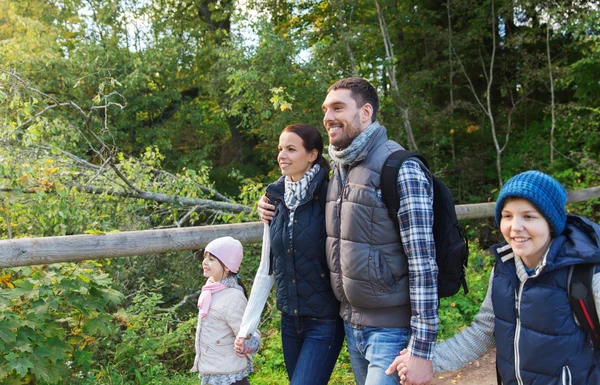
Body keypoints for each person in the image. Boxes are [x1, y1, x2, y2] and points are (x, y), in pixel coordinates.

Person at [258, 78, 438, 385]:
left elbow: (423, 264)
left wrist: (421, 349)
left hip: (390, 330)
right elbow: (296, 194)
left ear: (366, 112)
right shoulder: (339, 170)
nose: (328, 117)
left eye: (338, 108)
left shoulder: (400, 168)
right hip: (351, 325)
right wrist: (267, 203)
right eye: (326, 109)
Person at [390, 170, 600, 385]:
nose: (515, 227)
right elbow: (484, 331)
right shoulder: (504, 270)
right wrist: (426, 359)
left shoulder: (586, 273)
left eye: (528, 216)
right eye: (507, 216)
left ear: (551, 222)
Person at [235, 123, 344, 385]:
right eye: (280, 149)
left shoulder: (332, 194)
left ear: (312, 155)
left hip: (325, 320)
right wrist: (247, 327)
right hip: (290, 321)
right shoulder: (274, 201)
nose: (281, 156)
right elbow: (266, 269)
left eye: (291, 149)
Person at [191, 236, 260, 385]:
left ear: (227, 266)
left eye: (211, 259)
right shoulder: (210, 288)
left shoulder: (233, 297)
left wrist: (245, 343)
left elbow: (249, 330)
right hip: (212, 370)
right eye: (205, 257)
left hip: (229, 375)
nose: (204, 262)